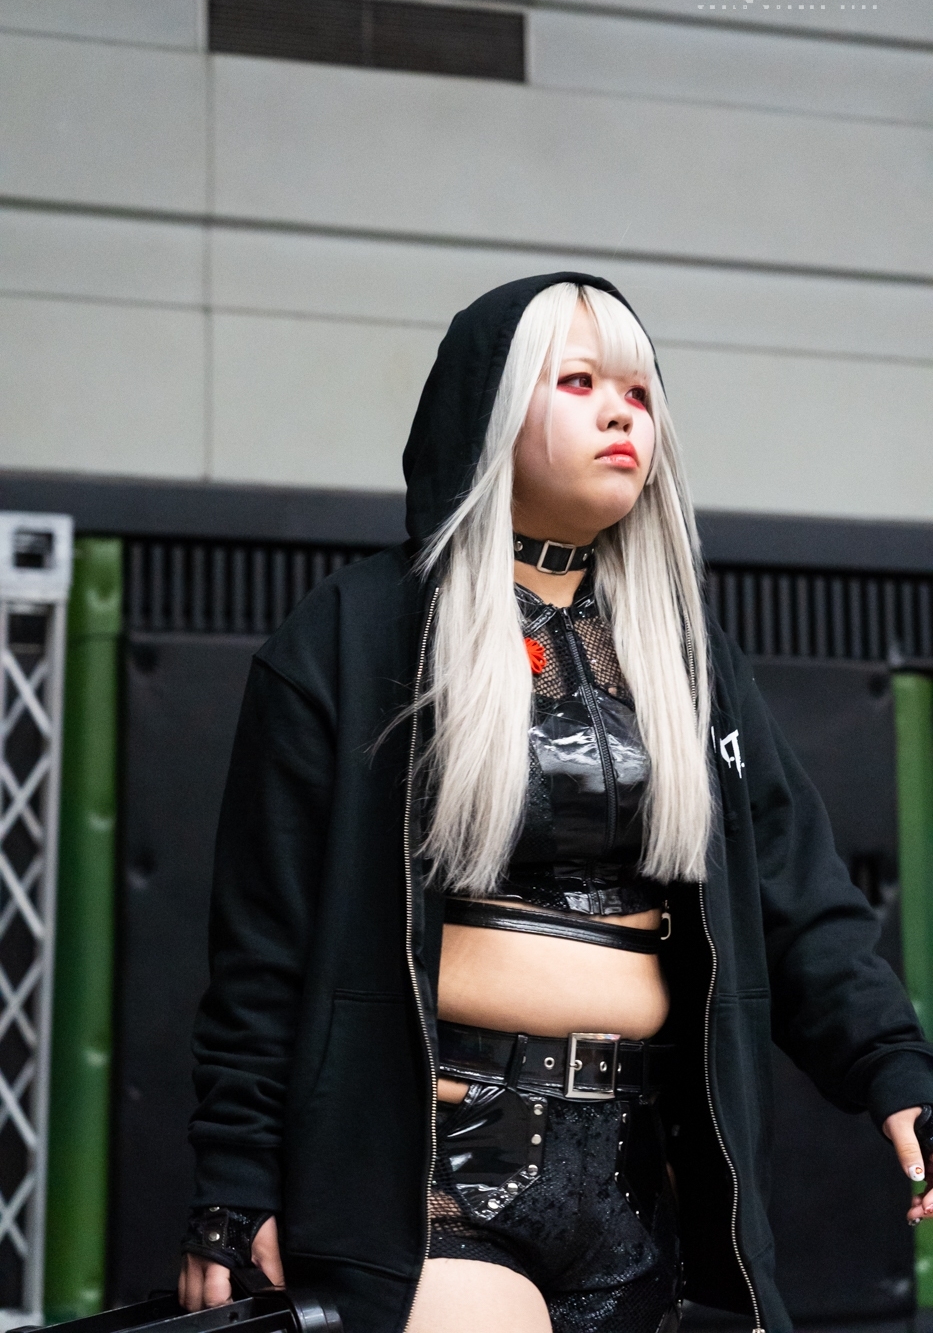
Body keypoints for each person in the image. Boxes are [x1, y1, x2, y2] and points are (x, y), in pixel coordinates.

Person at [178, 273, 933, 1333]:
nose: (622, 412)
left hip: (640, 1179)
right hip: (430, 1178)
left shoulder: (689, 655)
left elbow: (799, 896)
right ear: (488, 410)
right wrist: (233, 1181)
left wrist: (896, 1067)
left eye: (639, 389)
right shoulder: (353, 635)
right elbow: (264, 943)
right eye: (578, 382)